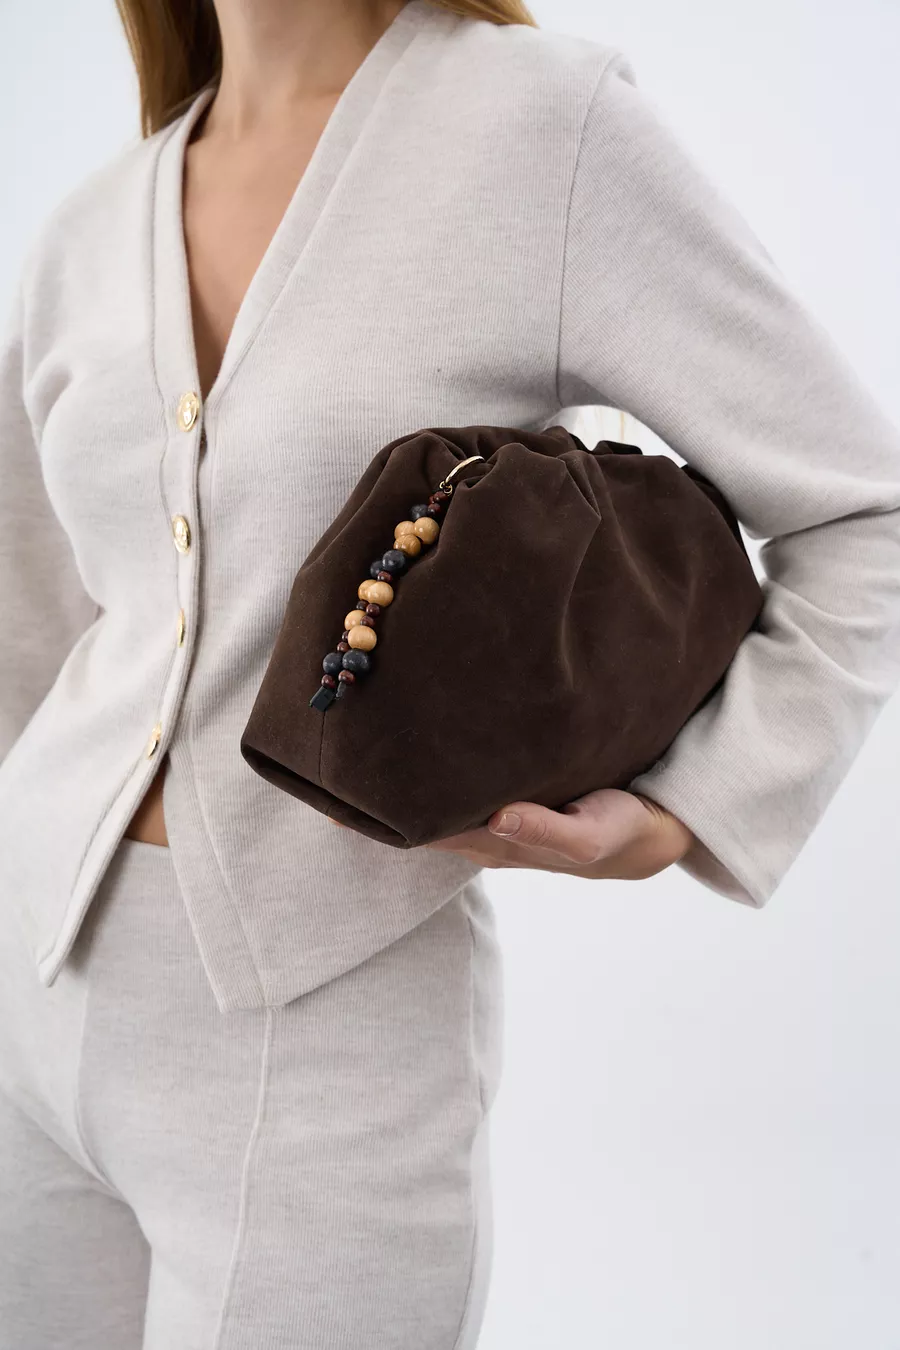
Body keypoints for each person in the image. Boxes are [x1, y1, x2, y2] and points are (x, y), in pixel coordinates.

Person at [1, 1, 898, 1345]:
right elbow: (32, 626)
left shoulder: (540, 128)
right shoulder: (89, 226)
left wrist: (694, 805)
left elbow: (863, 510)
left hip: (327, 1045)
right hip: (30, 999)